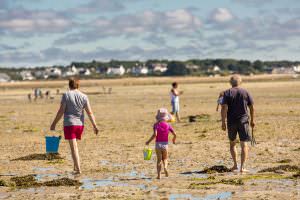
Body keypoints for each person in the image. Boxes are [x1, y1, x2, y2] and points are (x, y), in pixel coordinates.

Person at [50, 78, 99, 174]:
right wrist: (95, 125)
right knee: (75, 146)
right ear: (78, 85)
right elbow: (90, 112)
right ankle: (75, 167)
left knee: (74, 148)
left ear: (69, 85)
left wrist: (54, 123)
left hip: (70, 125)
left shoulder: (66, 95)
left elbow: (61, 111)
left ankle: (78, 169)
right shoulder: (84, 96)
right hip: (80, 126)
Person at [221, 75, 255, 173]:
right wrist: (252, 120)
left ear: (230, 82)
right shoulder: (245, 92)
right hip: (243, 121)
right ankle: (242, 167)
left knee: (232, 144)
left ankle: (235, 165)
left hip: (231, 121)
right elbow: (252, 107)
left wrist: (223, 122)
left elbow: (224, 108)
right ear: (240, 82)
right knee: (244, 144)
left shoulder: (227, 93)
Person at [146, 108, 177, 179]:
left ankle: (159, 175)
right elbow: (175, 134)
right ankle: (165, 168)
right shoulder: (168, 125)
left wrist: (148, 141)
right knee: (165, 159)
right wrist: (173, 140)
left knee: (159, 160)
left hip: (158, 145)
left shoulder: (156, 125)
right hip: (165, 145)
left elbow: (155, 135)